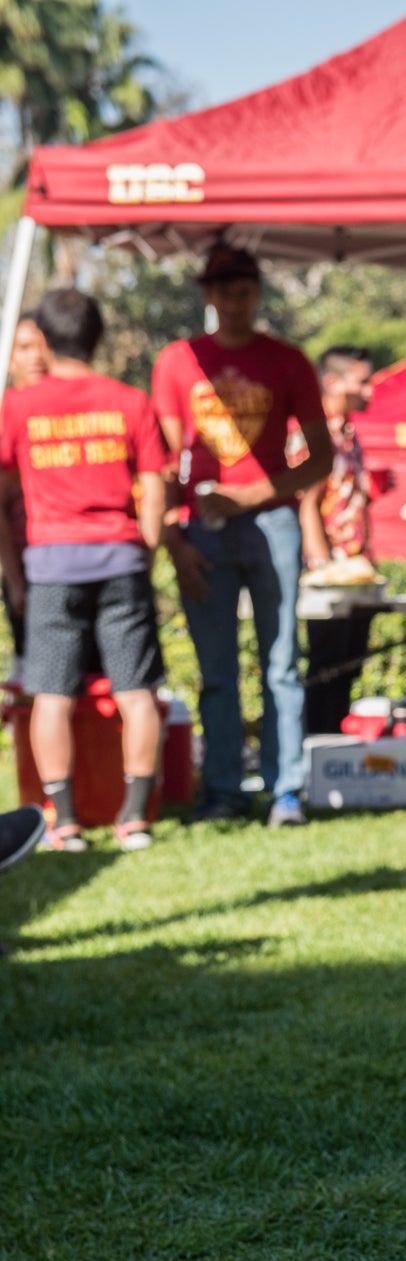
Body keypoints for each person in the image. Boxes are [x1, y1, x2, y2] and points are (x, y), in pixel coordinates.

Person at [152, 245, 333, 825]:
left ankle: (287, 791)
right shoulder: (179, 361)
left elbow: (320, 458)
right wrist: (174, 540)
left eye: (246, 291)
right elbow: (162, 461)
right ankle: (225, 790)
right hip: (203, 527)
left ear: (259, 294)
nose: (236, 302)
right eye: (225, 291)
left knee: (282, 662)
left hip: (272, 522)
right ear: (208, 295)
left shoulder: (288, 360)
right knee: (217, 670)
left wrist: (252, 496)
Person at [0, 289, 167, 851]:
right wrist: (147, 548)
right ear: (98, 336)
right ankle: (135, 818)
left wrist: (15, 573)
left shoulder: (18, 406)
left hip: (51, 565)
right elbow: (155, 484)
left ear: (43, 340)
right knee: (136, 690)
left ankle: (64, 822)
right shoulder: (129, 399)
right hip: (121, 559)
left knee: (52, 693)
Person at [298, 344, 376, 736]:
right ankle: (316, 745)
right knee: (326, 664)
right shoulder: (317, 433)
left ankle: (333, 745)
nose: (371, 389)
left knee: (350, 662)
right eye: (363, 381)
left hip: (356, 568)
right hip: (330, 571)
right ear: (333, 382)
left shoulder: (349, 432)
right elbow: (307, 504)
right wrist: (324, 570)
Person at [1, 314, 50, 670]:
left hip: (75, 567)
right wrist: (15, 580)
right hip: (27, 568)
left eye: (42, 347)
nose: (35, 357)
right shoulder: (7, 416)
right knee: (33, 675)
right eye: (24, 348)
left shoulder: (71, 409)